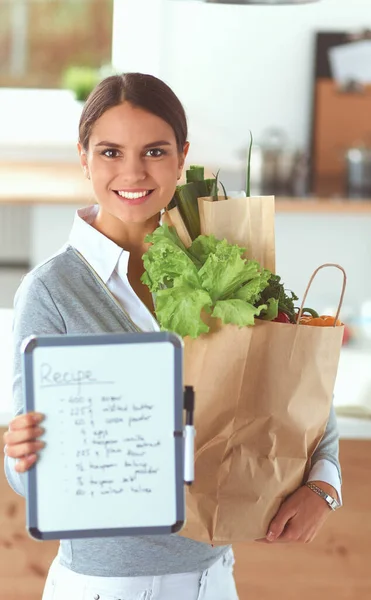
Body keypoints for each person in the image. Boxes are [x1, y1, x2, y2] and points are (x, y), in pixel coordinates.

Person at [3, 73, 342, 600]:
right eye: (110, 151)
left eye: (155, 151)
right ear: (84, 157)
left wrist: (325, 485)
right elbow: (30, 480)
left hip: (213, 579)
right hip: (101, 587)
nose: (132, 172)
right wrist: (21, 457)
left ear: (183, 156)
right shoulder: (51, 290)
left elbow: (298, 387)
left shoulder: (227, 263)